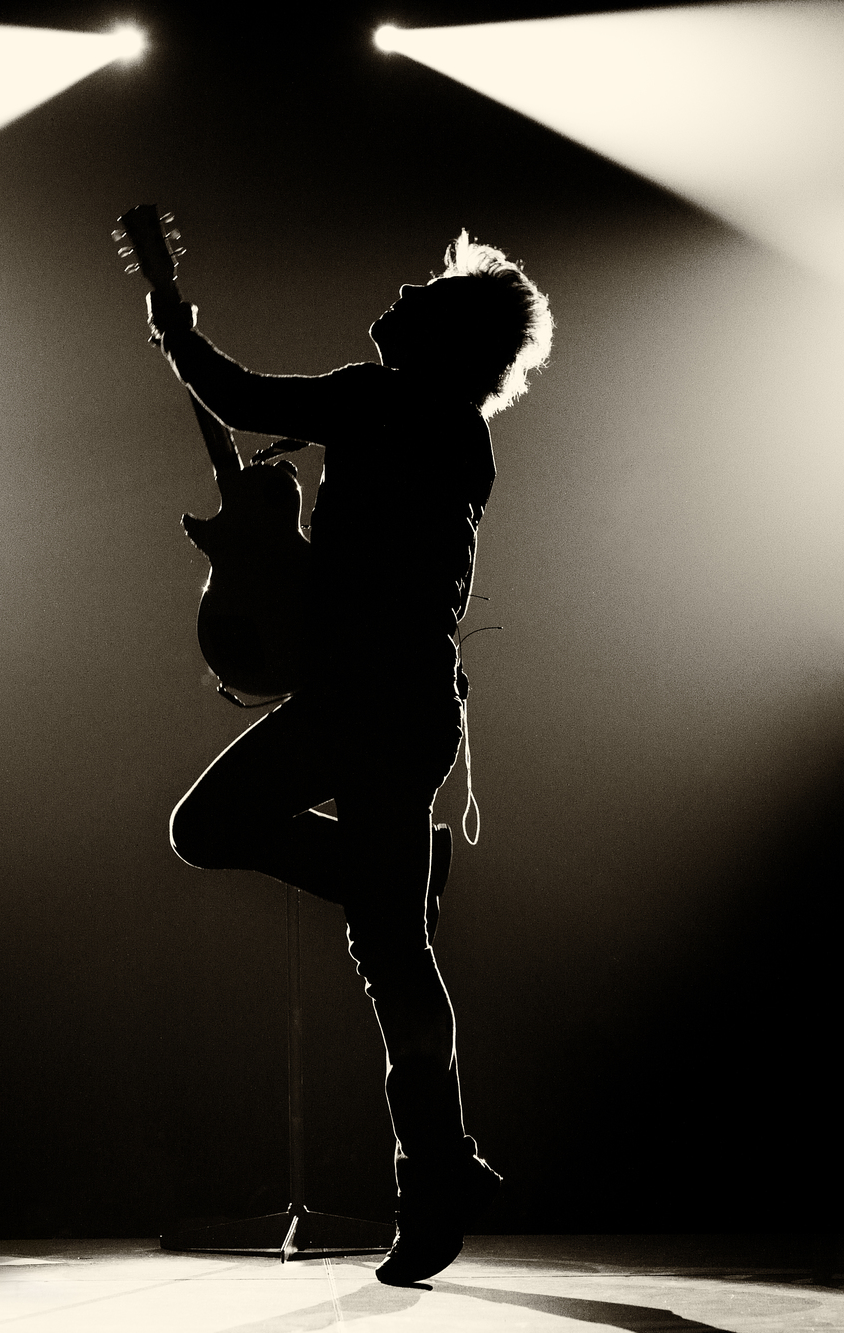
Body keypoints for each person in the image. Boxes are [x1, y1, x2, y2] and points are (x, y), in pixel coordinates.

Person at [145, 230, 552, 1284]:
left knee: (208, 829)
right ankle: (437, 1167)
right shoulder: (453, 429)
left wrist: (170, 315)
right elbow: (367, 573)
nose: (405, 287)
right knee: (389, 948)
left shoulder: (378, 397)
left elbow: (232, 394)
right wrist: (267, 555)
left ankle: (439, 1163)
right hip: (411, 702)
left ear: (443, 332)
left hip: (364, 700)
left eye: (425, 289)